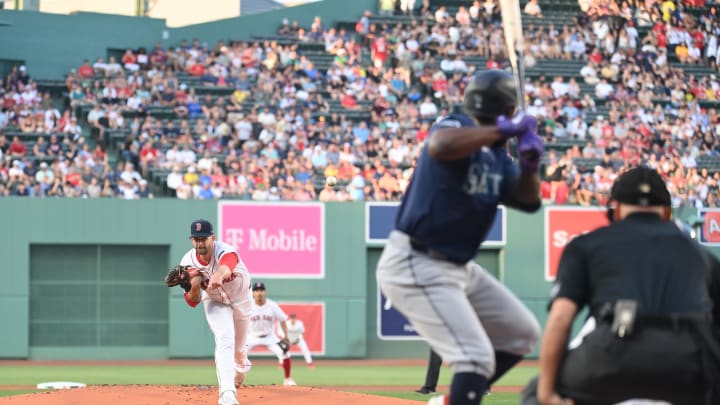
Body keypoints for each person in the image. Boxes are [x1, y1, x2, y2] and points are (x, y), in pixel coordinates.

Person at [376, 69, 544, 405]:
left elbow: (528, 202)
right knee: (475, 358)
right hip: (416, 260)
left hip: (457, 268)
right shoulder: (455, 125)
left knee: (521, 333)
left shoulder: (499, 157)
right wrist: (502, 131)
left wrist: (529, 165)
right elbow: (439, 146)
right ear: (510, 111)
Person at [521, 166, 720, 405]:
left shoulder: (587, 245)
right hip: (689, 360)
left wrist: (546, 394)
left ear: (614, 210)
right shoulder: (701, 255)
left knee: (536, 391)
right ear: (667, 212)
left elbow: (560, 319)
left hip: (612, 353)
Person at [179, 219, 253, 405]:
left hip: (242, 298)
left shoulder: (224, 249)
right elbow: (192, 302)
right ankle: (227, 394)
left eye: (204, 238)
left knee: (239, 351)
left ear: (213, 238)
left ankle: (241, 366)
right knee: (225, 337)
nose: (200, 243)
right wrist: (195, 285)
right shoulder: (187, 263)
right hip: (214, 301)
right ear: (191, 240)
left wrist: (219, 275)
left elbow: (228, 264)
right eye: (196, 239)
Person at [247, 281, 297, 386]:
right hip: (252, 336)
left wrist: (286, 337)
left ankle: (287, 379)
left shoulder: (272, 305)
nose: (259, 293)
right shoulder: (248, 305)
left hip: (269, 337)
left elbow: (283, 320)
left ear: (265, 292)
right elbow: (239, 320)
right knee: (238, 355)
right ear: (253, 293)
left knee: (285, 352)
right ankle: (234, 379)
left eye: (261, 290)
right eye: (256, 290)